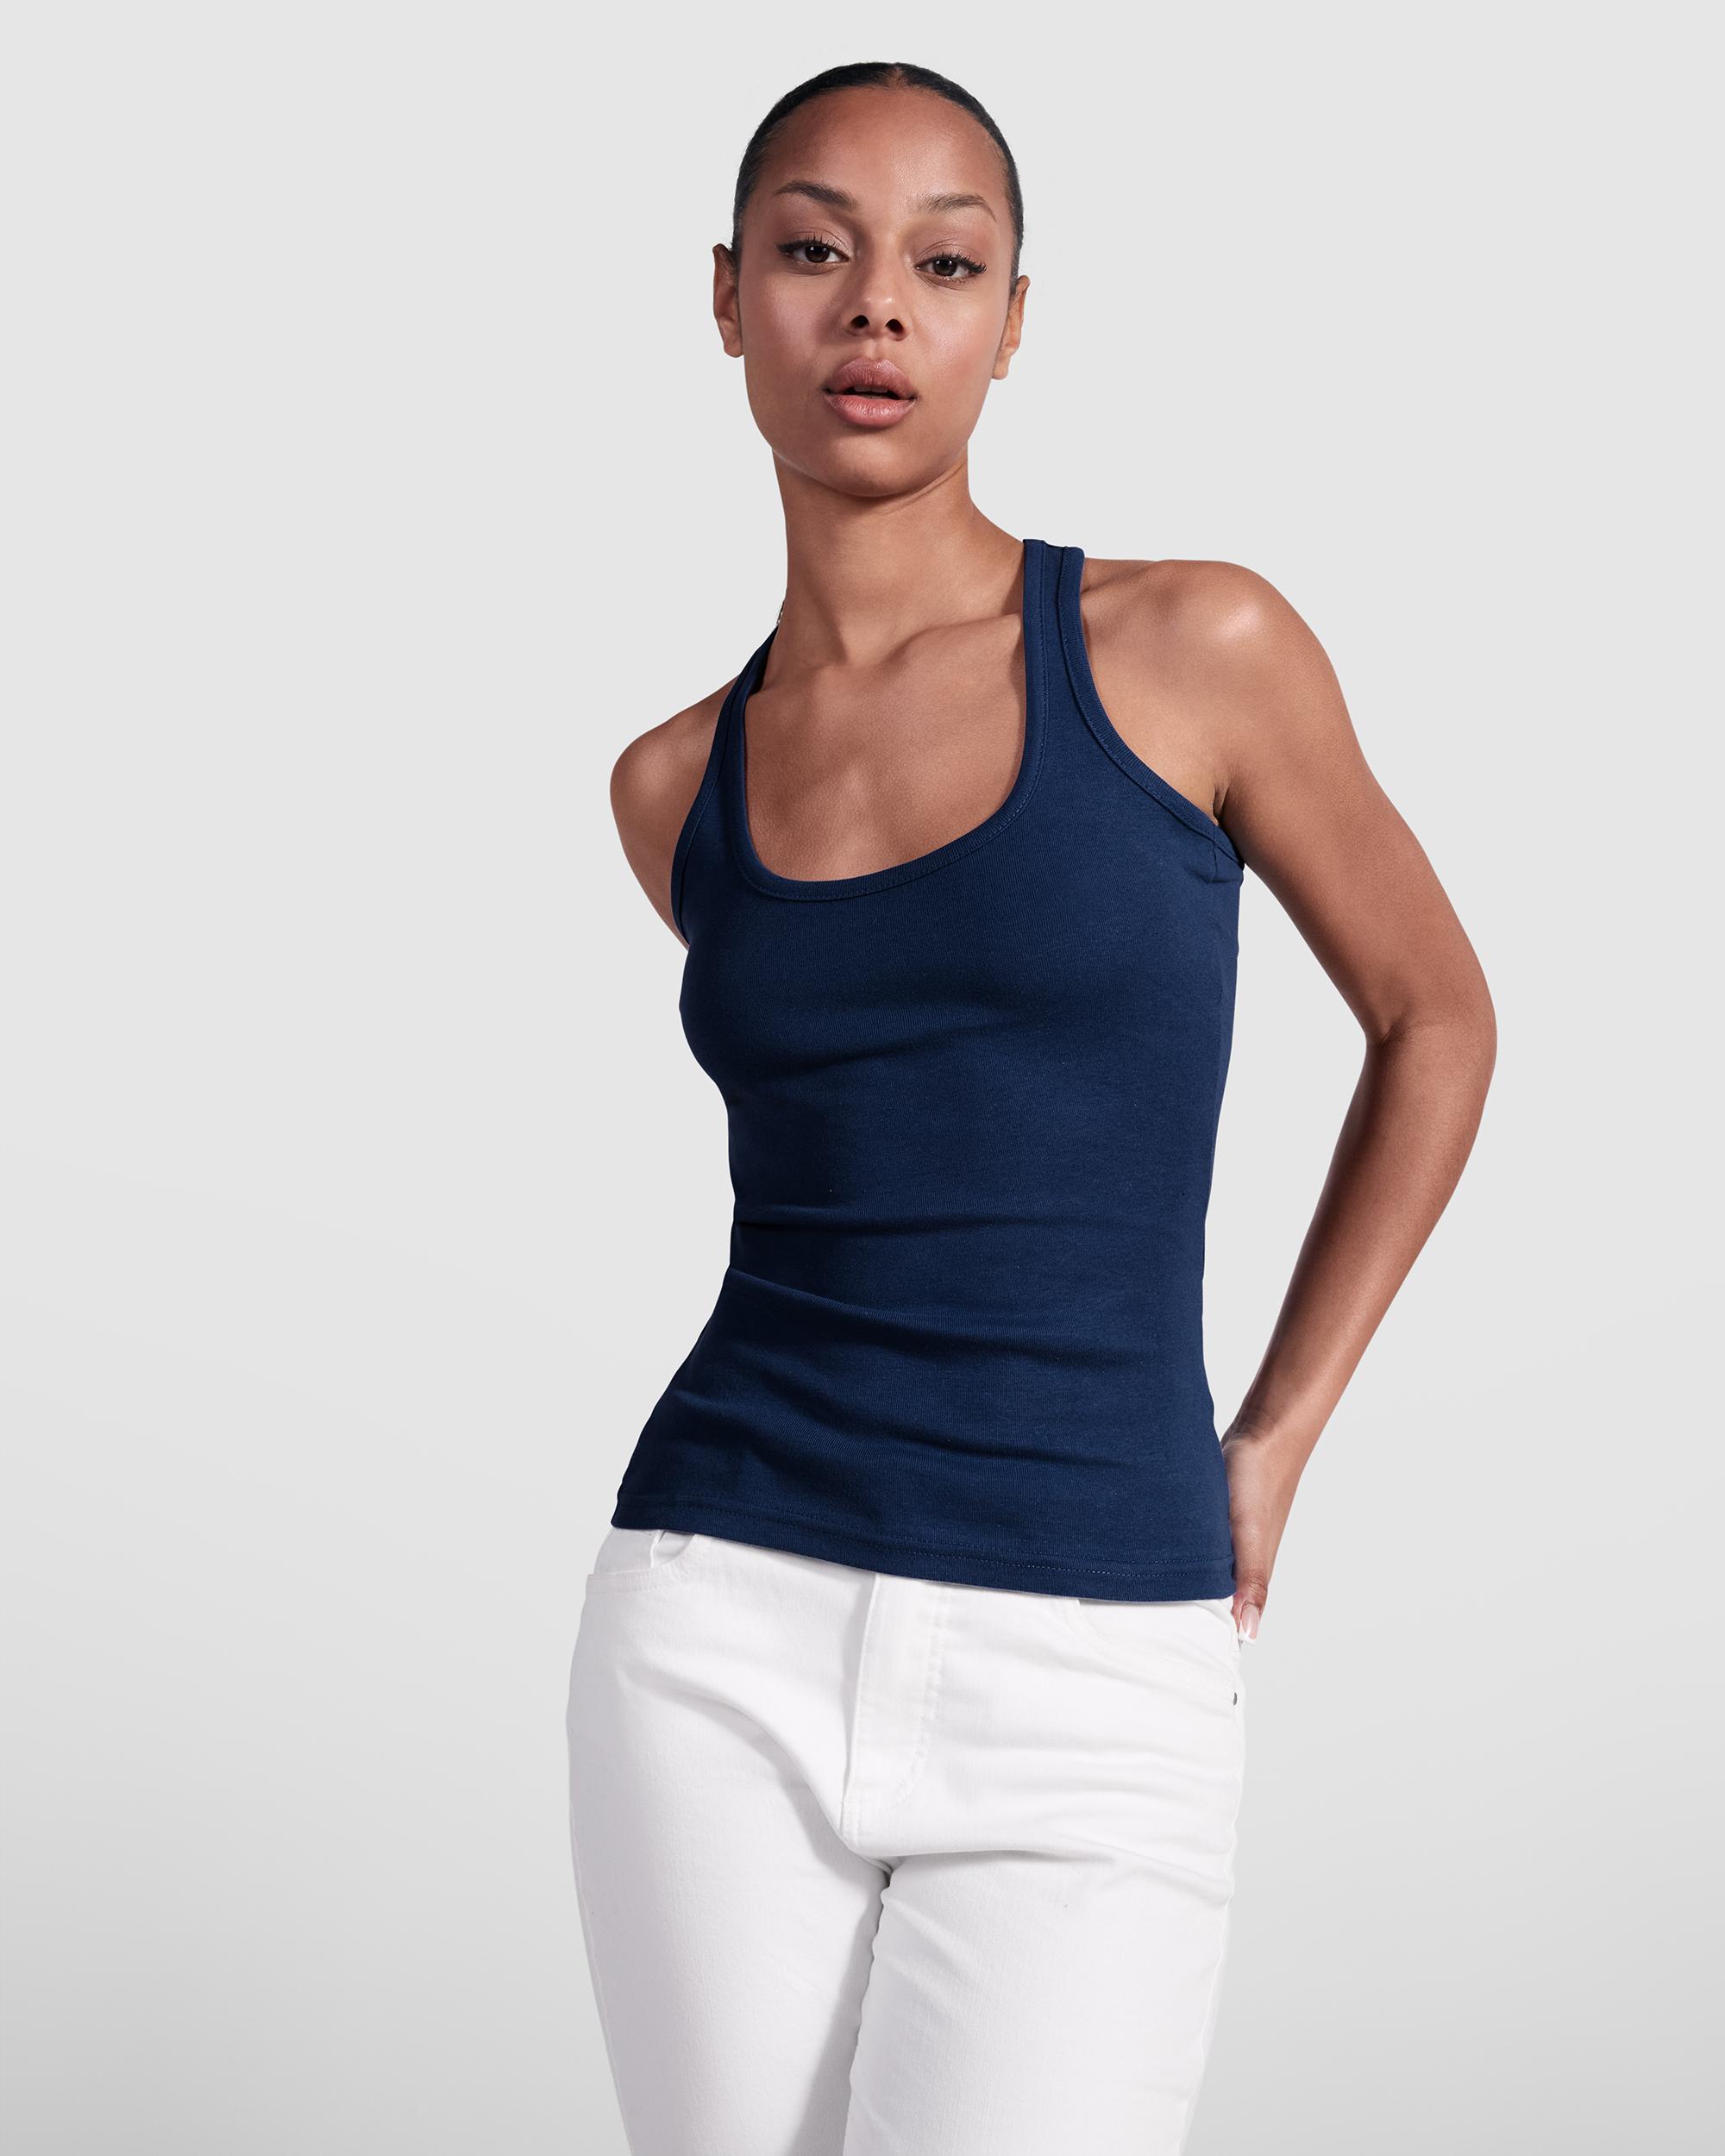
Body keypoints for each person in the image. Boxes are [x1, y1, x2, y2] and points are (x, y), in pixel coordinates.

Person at [567, 60, 1495, 2156]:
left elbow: (1435, 1015)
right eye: (813, 250)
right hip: (715, 1615)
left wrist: (1274, 1434)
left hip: (1097, 1633)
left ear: (1010, 319)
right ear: (725, 297)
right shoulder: (672, 785)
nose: (875, 308)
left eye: (944, 262)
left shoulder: (1191, 647)